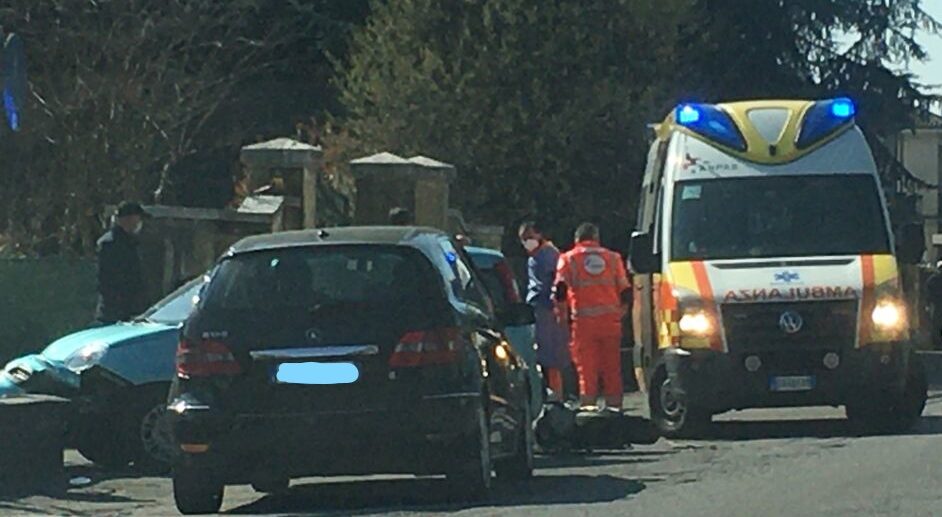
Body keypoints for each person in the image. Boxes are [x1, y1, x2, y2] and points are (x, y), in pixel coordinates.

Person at [554, 222, 631, 411]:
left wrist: (562, 316)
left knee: (587, 370)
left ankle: (588, 412)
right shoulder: (613, 258)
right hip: (611, 323)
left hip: (584, 324)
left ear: (577, 240)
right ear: (596, 238)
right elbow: (626, 291)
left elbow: (560, 290)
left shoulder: (568, 259)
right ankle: (615, 410)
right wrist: (622, 312)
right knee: (612, 369)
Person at [519, 220, 570, 401]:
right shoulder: (537, 257)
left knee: (550, 357)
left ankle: (556, 396)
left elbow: (553, 284)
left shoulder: (547, 255)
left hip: (547, 311)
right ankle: (553, 395)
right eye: (523, 239)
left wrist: (553, 306)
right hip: (540, 310)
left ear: (539, 236)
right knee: (545, 357)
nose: (526, 242)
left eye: (529, 237)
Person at [94, 201, 148, 324]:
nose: (139, 224)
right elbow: (107, 281)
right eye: (136, 219)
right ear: (127, 220)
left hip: (132, 310)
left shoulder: (132, 242)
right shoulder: (110, 244)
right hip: (114, 312)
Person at [927, 260, 942, 348]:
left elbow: (928, 291)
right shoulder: (933, 279)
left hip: (937, 304)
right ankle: (937, 342)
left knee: (936, 322)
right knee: (937, 323)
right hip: (937, 304)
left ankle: (937, 342)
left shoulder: (933, 279)